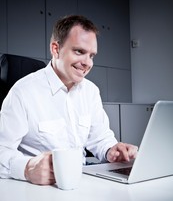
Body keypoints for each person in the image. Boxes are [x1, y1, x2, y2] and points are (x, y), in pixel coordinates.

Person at [0, 15, 138, 185]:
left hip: (80, 182)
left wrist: (112, 150)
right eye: (79, 51)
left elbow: (100, 138)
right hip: (38, 190)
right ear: (56, 49)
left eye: (92, 55)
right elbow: (2, 150)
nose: (87, 63)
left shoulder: (91, 91)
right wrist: (27, 168)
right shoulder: (23, 92)